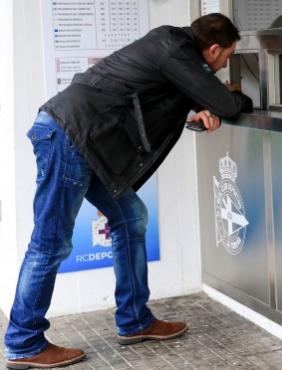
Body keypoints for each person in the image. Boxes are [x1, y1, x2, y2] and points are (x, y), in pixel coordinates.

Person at [4, 13, 252, 369]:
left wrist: (200, 105)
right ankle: (24, 341)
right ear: (213, 50)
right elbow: (227, 104)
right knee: (50, 241)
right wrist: (229, 98)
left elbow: (169, 92)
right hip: (69, 137)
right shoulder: (174, 50)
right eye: (227, 57)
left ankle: (135, 319)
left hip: (86, 141)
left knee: (132, 216)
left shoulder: (173, 47)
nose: (224, 66)